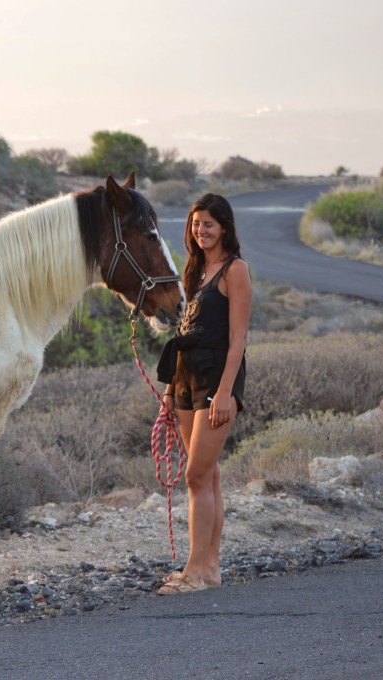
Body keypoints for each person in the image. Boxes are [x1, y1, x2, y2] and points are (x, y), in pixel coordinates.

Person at [154, 193, 251, 595]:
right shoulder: (193, 271)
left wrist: (225, 393)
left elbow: (238, 339)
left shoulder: (235, 270)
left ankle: (192, 573)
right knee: (208, 476)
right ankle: (210, 569)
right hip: (185, 376)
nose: (201, 230)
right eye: (196, 224)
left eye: (208, 224)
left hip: (217, 378)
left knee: (195, 476)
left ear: (224, 227)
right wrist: (169, 390)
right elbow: (183, 331)